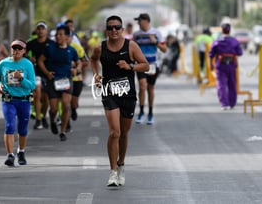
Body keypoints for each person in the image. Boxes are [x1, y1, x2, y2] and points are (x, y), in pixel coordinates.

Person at [91, 15, 148, 187]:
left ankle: (121, 164)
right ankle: (112, 172)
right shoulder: (100, 48)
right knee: (114, 132)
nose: (114, 30)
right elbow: (93, 60)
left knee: (123, 133)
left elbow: (145, 65)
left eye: (117, 27)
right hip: (109, 93)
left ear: (122, 29)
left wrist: (130, 66)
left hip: (128, 94)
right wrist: (96, 74)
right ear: (106, 30)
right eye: (110, 28)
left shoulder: (130, 46)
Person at [0, 39, 36, 166]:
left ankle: (21, 151)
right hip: (8, 100)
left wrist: (21, 79)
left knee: (22, 128)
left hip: (24, 100)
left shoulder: (27, 65)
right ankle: (10, 155)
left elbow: (32, 85)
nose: (16, 51)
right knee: (9, 125)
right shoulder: (4, 63)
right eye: (14, 48)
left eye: (19, 49)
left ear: (24, 51)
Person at [38, 24, 80, 141]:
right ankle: (52, 120)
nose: (58, 36)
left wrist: (76, 69)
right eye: (57, 34)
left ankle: (63, 131)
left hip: (66, 80)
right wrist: (47, 73)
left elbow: (78, 62)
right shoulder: (50, 48)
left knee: (66, 106)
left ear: (67, 37)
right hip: (53, 81)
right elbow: (40, 61)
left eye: (61, 34)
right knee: (53, 109)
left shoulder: (71, 50)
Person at [133, 13, 167, 125]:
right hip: (141, 64)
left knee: (150, 88)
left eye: (139, 21)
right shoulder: (136, 35)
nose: (138, 23)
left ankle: (150, 113)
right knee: (142, 86)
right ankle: (141, 111)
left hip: (152, 65)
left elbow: (164, 49)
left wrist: (156, 42)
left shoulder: (156, 33)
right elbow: (132, 49)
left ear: (146, 21)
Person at [208, 23, 243, 110]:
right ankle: (232, 103)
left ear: (222, 29)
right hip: (231, 65)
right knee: (232, 84)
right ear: (229, 30)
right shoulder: (234, 41)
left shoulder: (217, 41)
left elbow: (211, 54)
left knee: (221, 85)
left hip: (220, 65)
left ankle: (224, 104)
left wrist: (211, 65)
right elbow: (240, 53)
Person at [26, 21, 52, 130]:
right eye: (39, 29)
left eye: (43, 29)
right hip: (35, 72)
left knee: (46, 98)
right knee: (37, 94)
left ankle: (44, 116)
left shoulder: (51, 43)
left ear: (46, 31)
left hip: (47, 72)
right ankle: (37, 119)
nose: (40, 31)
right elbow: (23, 52)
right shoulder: (31, 43)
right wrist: (29, 58)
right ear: (36, 30)